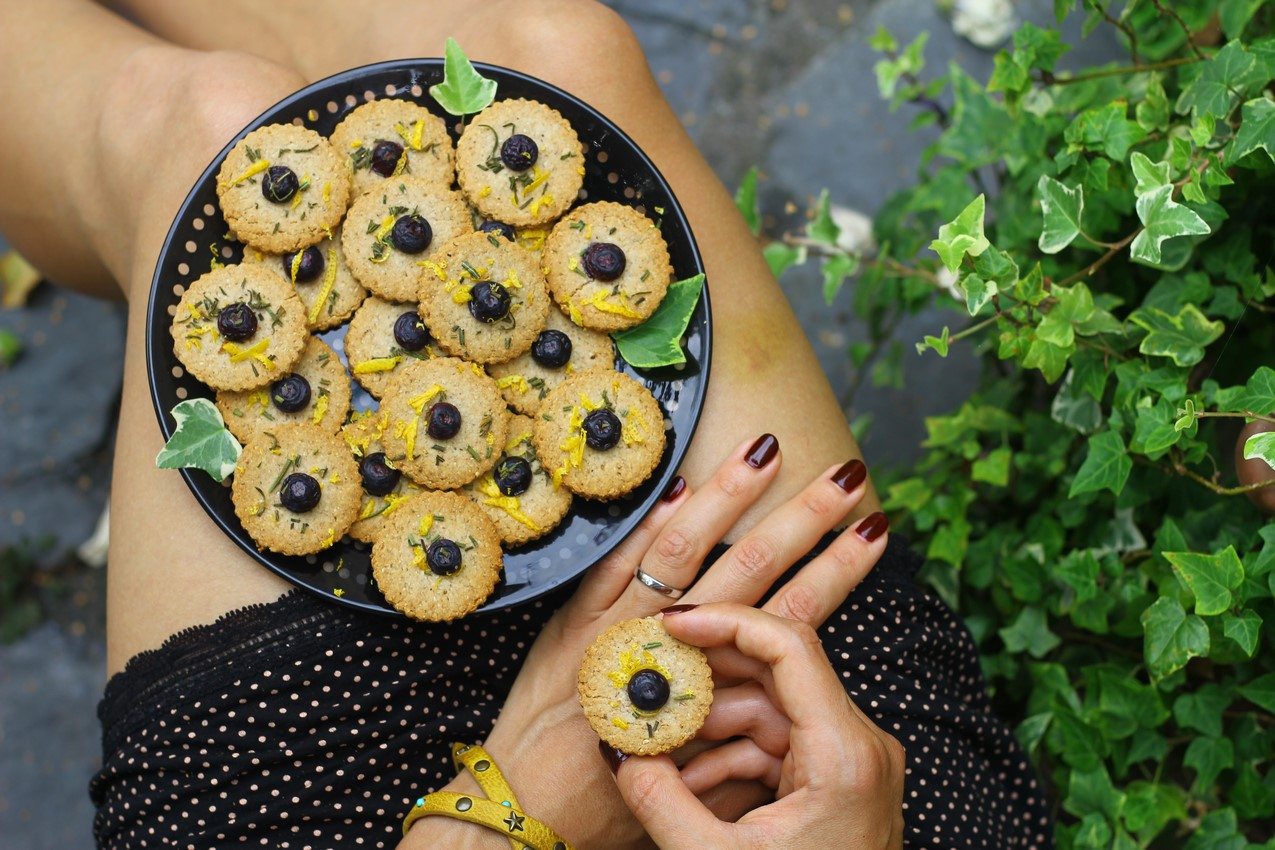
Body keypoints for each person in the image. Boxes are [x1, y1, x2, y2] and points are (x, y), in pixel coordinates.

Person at [0, 1, 1051, 846]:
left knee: (190, 122)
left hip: (359, 810)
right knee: (558, 43)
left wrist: (507, 823)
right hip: (843, 770)